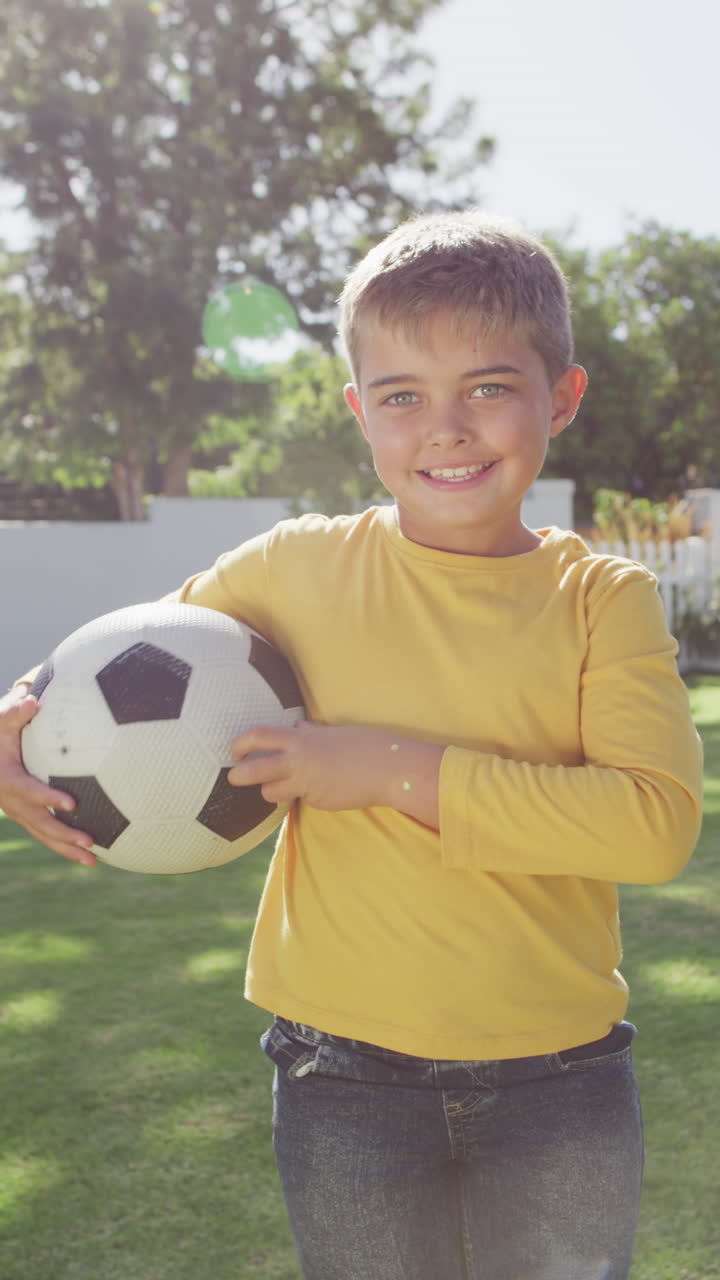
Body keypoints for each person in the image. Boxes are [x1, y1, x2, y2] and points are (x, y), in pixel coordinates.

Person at [0, 211, 703, 1280]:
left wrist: (381, 766)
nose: (447, 428)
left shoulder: (604, 599)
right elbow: (116, 672)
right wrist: (15, 716)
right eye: (403, 396)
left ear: (561, 396)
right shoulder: (293, 568)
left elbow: (650, 827)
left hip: (559, 1075)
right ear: (358, 413)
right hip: (342, 1072)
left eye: (490, 387)